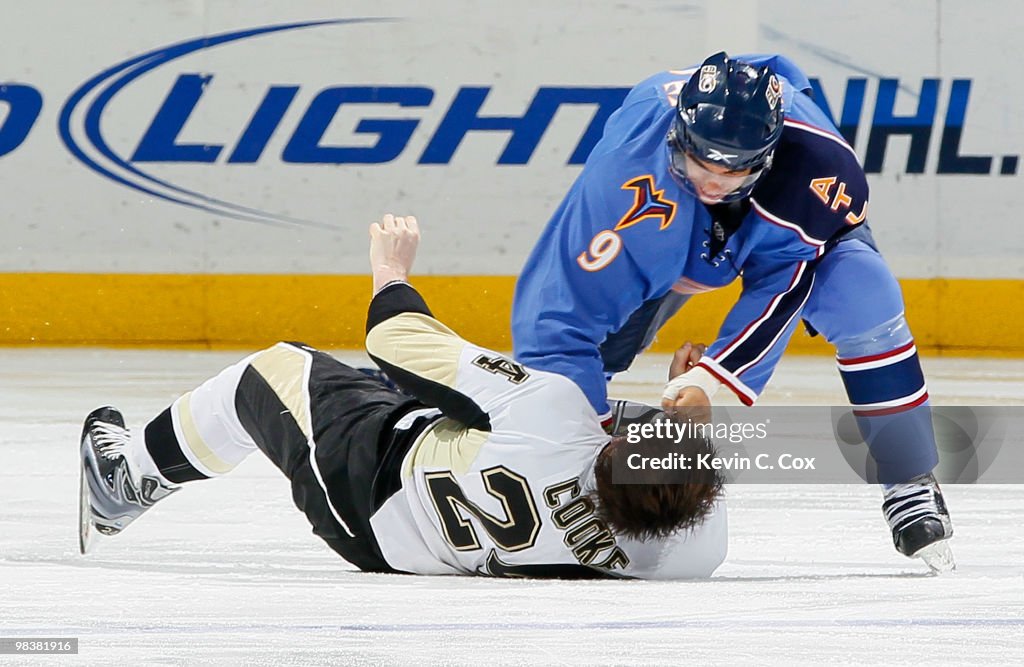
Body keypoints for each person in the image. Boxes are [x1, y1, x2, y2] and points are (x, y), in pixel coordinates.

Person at [78, 214, 727, 579]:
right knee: (467, 413)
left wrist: (391, 269)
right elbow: (664, 480)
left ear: (614, 442)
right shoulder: (682, 556)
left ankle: (126, 476)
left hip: (364, 479)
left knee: (268, 372)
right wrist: (680, 398)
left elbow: (396, 339)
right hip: (406, 548)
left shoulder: (550, 411)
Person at [511, 52, 953, 570]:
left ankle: (908, 478)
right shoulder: (623, 174)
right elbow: (557, 324)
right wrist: (583, 455)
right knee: (574, 363)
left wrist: (710, 380)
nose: (716, 180)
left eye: (737, 164)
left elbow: (784, 285)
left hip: (778, 226)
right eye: (704, 159)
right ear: (678, 136)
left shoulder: (819, 170)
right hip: (661, 231)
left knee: (865, 297)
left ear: (769, 153)